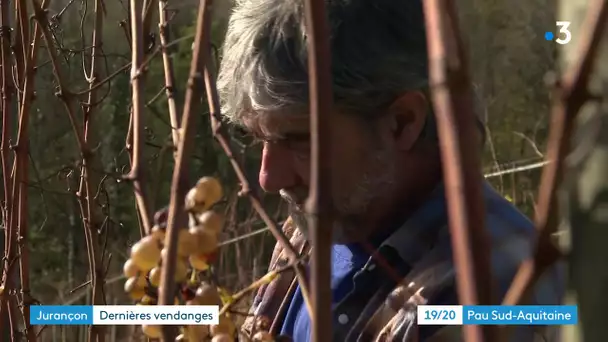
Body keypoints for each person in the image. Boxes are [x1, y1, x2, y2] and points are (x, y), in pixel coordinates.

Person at [216, 0, 564, 341]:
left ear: (402, 122)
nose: (268, 177)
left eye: (297, 139)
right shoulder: (315, 226)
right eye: (257, 138)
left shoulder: (495, 293)